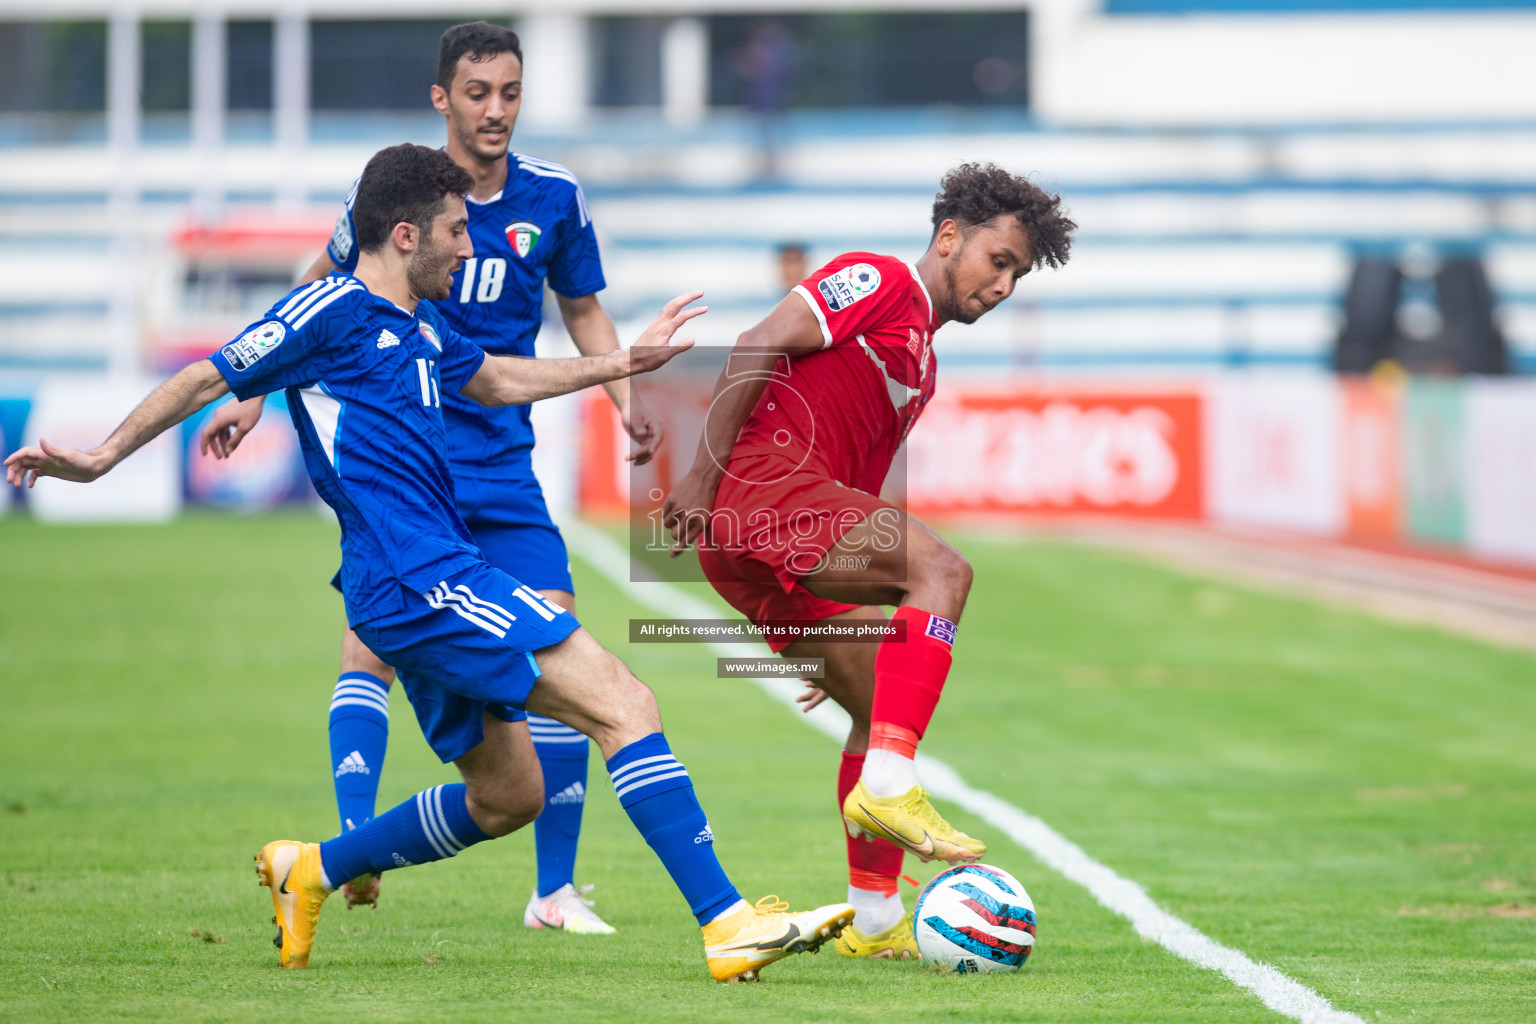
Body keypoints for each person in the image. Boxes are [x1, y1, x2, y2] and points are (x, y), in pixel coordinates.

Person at [7, 143, 854, 982]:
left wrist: (627, 362)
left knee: (509, 795)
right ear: (407, 235)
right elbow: (208, 375)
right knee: (625, 702)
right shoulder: (329, 309)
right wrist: (102, 457)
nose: (471, 245)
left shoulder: (421, 321)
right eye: (456, 229)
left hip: (415, 582)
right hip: (423, 579)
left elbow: (493, 381)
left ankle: (314, 869)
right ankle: (727, 924)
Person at [201, 22, 648, 932]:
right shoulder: (400, 196)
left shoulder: (554, 196)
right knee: (371, 647)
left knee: (561, 652)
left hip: (504, 461)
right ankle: (352, 847)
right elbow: (321, 286)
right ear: (443, 98)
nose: (496, 110)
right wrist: (249, 389)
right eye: (477, 92)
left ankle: (552, 891)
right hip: (411, 461)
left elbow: (584, 308)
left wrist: (626, 398)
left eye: (510, 92)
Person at [661, 162, 1075, 960]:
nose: (1004, 285)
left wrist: (825, 623)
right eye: (999, 261)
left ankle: (876, 917)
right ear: (950, 236)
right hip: (761, 490)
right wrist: (703, 474)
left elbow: (856, 495)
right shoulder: (879, 281)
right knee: (945, 574)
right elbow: (757, 342)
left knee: (875, 686)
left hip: (772, 526)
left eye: (1018, 275)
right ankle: (890, 785)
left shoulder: (922, 366)